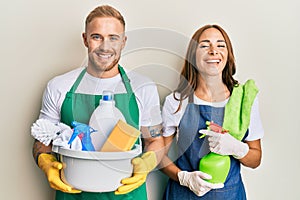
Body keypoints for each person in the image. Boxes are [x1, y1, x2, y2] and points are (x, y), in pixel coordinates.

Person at [32, 5, 164, 200]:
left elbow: (155, 140)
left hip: (127, 195)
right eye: (97, 37)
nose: (105, 46)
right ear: (85, 39)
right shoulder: (59, 86)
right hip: (74, 194)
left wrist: (146, 164)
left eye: (113, 38)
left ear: (123, 42)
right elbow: (42, 141)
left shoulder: (143, 87)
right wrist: (46, 164)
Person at [159, 24, 264, 199]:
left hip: (230, 194)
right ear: (193, 55)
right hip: (183, 195)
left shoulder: (243, 100)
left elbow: (256, 159)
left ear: (228, 55)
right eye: (205, 45)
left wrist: (238, 149)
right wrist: (184, 178)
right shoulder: (176, 102)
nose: (213, 51)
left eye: (220, 45)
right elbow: (157, 155)